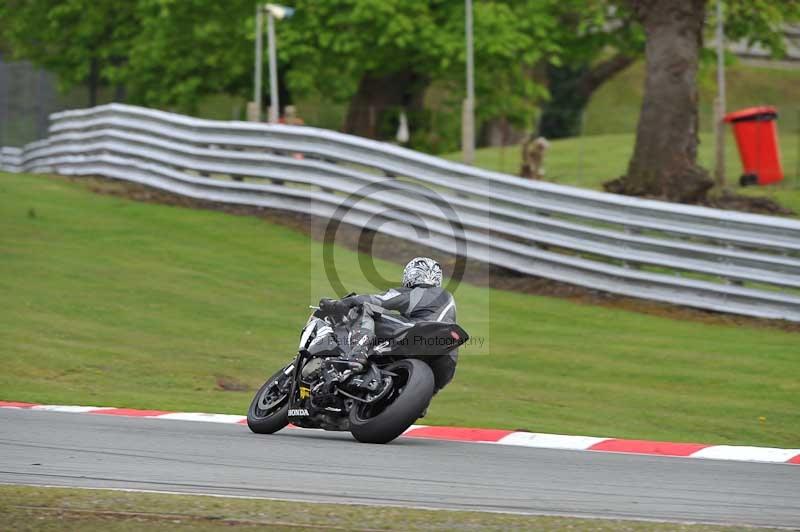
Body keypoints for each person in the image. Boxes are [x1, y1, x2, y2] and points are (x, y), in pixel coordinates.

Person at [319, 257, 458, 392]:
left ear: (413, 274)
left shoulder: (421, 292)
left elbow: (377, 300)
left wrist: (340, 304)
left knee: (365, 309)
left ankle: (357, 354)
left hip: (419, 332)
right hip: (447, 359)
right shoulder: (448, 300)